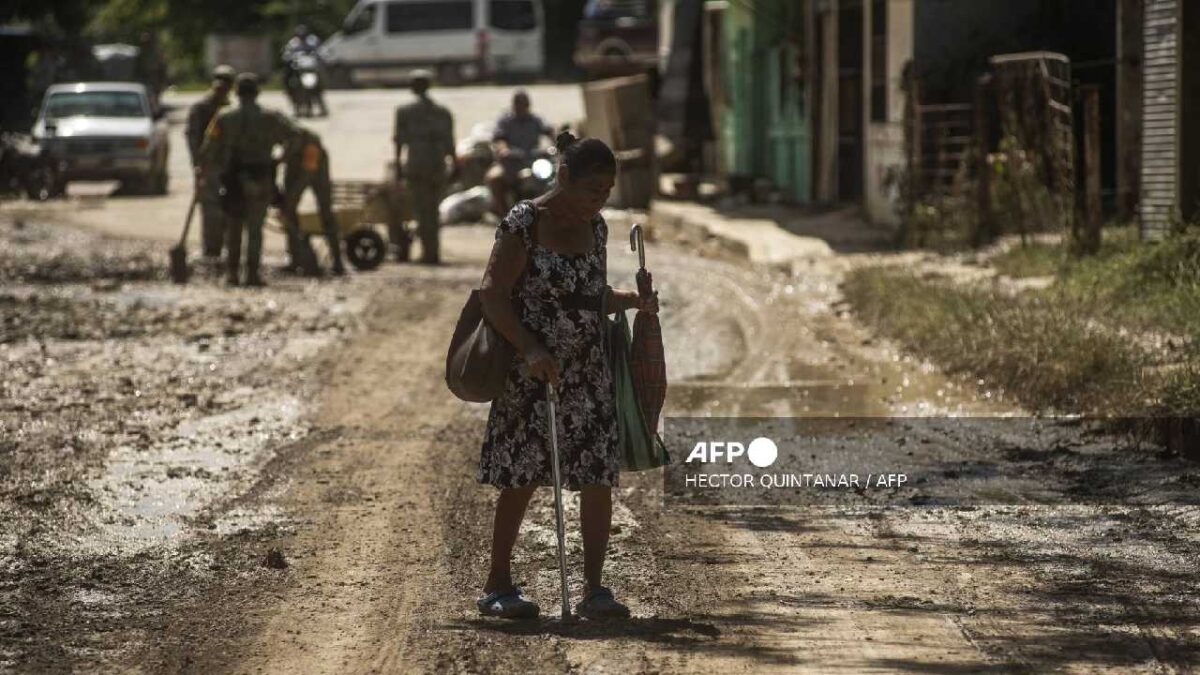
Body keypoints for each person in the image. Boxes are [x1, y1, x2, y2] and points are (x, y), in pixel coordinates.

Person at [475, 132, 659, 620]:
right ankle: (498, 584)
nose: (597, 202)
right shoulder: (525, 223)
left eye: (605, 194)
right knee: (523, 474)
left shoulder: (596, 228)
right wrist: (531, 349)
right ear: (563, 178)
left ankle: (595, 591)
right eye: (590, 191)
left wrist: (631, 302)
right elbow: (493, 294)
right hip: (530, 372)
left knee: (597, 475)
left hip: (588, 372)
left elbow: (590, 297)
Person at [199, 73, 302, 287]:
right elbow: (295, 135)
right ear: (257, 92)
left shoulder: (224, 117)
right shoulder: (271, 116)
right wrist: (281, 157)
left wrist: (210, 172)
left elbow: (208, 149)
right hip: (261, 176)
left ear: (236, 92)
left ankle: (232, 274)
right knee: (255, 228)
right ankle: (252, 274)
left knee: (234, 228)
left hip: (234, 179)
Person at [392, 69, 454, 264]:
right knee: (433, 209)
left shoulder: (404, 111)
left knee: (420, 208)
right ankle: (432, 252)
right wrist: (453, 163)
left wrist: (399, 166)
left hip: (416, 161)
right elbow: (449, 141)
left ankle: (428, 252)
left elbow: (399, 141)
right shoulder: (442, 111)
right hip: (436, 162)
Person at [279, 128, 346, 276]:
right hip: (301, 161)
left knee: (325, 214)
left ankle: (338, 262)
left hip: (314, 166)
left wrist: (291, 198)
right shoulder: (289, 141)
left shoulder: (311, 148)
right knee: (289, 212)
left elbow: (306, 174)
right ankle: (295, 259)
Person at [186, 65, 236, 259]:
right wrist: (198, 164)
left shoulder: (230, 108)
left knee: (228, 207)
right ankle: (211, 249)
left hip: (228, 167)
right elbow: (193, 137)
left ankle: (224, 246)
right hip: (209, 165)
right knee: (210, 208)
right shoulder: (201, 108)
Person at [485, 90, 554, 217]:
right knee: (494, 179)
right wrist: (503, 149)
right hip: (512, 161)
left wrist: (556, 143)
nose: (521, 106)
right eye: (518, 103)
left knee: (553, 179)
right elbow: (499, 138)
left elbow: (549, 132)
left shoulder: (536, 120)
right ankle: (503, 215)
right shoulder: (506, 121)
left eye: (524, 103)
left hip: (533, 161)